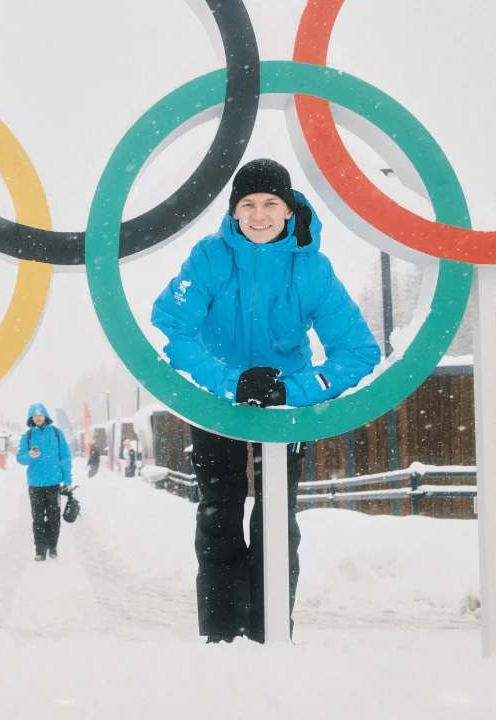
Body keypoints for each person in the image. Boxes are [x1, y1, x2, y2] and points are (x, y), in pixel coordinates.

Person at [151, 159, 380, 644]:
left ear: (289, 208)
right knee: (219, 517)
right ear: (234, 213)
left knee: (276, 522)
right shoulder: (211, 257)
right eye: (248, 204)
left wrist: (290, 391)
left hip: (282, 417)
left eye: (270, 203)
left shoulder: (311, 269)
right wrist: (228, 381)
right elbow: (171, 321)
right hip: (217, 408)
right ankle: (219, 639)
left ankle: (269, 636)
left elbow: (358, 351)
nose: (259, 214)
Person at [16, 403, 73, 561]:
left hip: (54, 483)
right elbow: (20, 458)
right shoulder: (27, 436)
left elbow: (65, 458)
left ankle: (52, 546)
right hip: (35, 485)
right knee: (38, 519)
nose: (38, 417)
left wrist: (67, 479)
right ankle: (40, 551)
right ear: (31, 418)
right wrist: (29, 456)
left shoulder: (56, 433)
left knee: (54, 518)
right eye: (35, 415)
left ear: (46, 416)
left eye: (40, 414)